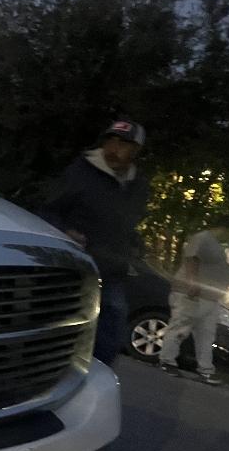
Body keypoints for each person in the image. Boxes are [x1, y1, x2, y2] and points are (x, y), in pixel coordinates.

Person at [41, 120, 149, 365]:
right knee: (61, 325)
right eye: (111, 141)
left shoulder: (139, 185)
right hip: (74, 268)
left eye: (123, 144)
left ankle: (97, 380)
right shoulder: (81, 172)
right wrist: (66, 231)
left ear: (136, 151)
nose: (114, 148)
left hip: (112, 272)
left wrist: (135, 246)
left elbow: (126, 225)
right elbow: (48, 211)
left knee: (111, 329)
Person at [158, 213, 229, 385]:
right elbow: (191, 259)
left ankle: (205, 370)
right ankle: (167, 361)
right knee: (180, 326)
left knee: (206, 335)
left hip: (210, 297)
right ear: (224, 228)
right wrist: (192, 283)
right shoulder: (203, 239)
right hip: (193, 295)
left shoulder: (216, 245)